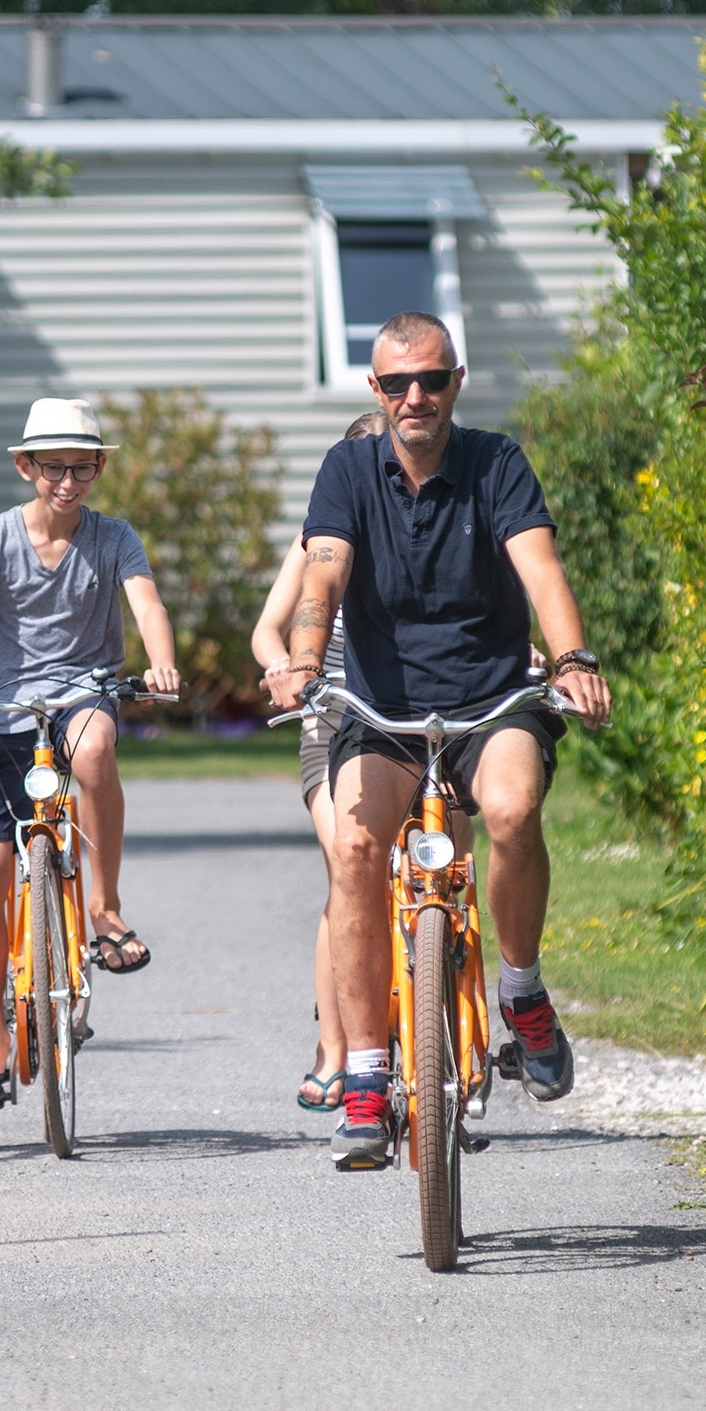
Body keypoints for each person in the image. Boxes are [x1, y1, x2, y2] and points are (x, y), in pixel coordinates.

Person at [264, 312, 615, 1169]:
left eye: (430, 379)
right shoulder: (347, 467)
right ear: (375, 392)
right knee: (353, 848)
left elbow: (540, 569)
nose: (414, 397)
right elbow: (326, 572)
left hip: (491, 702)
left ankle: (523, 995)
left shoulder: (497, 462)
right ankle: (366, 1073)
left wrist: (569, 659)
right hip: (382, 710)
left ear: (457, 381)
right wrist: (305, 660)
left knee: (512, 809)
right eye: (396, 383)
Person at [0, 397, 183, 1121]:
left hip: (80, 695)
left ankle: (105, 909)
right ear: (25, 467)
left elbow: (146, 605)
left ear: (98, 469)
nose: (67, 479)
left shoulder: (113, 538)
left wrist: (161, 663)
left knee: (94, 752)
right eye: (52, 465)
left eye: (81, 466)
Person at [250, 409, 390, 1111]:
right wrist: (286, 670)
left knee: (444, 862)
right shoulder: (319, 540)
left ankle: (457, 1031)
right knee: (348, 866)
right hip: (331, 713)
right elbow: (267, 630)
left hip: (406, 710)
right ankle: (337, 1047)